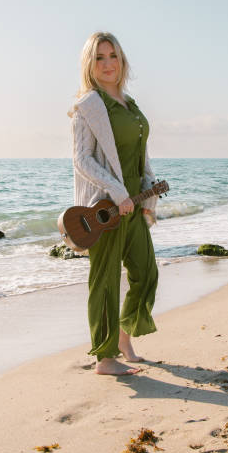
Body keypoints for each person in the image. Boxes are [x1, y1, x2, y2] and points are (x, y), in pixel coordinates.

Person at [69, 31, 159, 376]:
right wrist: (116, 191)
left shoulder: (130, 106)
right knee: (105, 281)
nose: (108, 64)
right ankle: (105, 359)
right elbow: (82, 160)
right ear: (89, 65)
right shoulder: (88, 105)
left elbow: (140, 157)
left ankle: (123, 337)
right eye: (99, 58)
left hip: (135, 205)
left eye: (113, 56)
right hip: (104, 210)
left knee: (146, 273)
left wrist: (148, 190)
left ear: (122, 60)